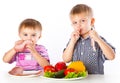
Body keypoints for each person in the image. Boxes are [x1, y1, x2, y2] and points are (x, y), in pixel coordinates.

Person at [62, 4, 115, 74]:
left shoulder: (98, 39)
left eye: (83, 21)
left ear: (92, 21)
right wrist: (72, 42)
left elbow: (111, 56)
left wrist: (98, 39)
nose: (78, 25)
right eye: (75, 22)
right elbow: (66, 59)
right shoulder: (73, 40)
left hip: (95, 79)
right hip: (77, 79)